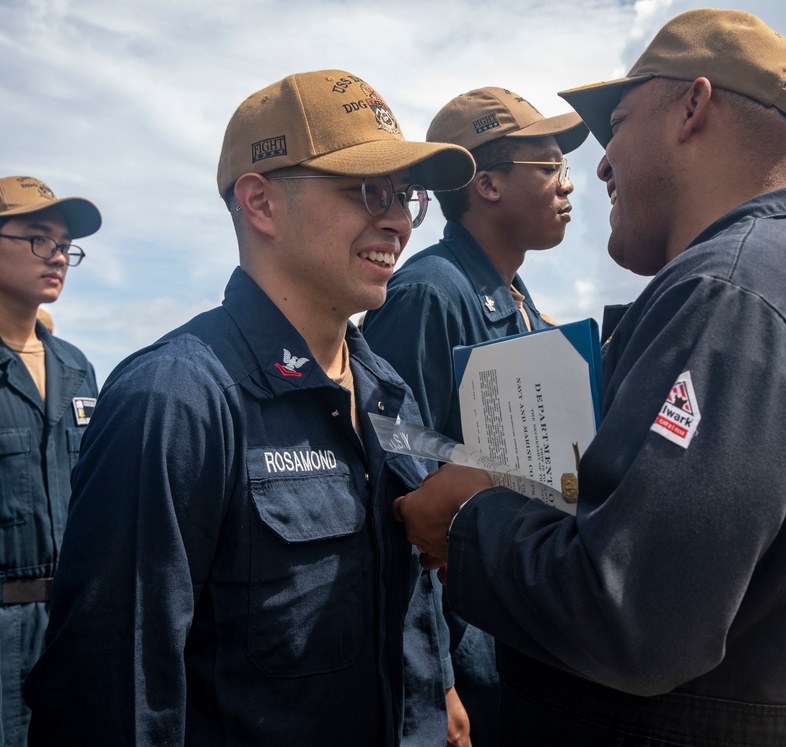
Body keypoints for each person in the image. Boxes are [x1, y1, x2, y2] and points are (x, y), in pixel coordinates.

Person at [394, 9, 786, 747]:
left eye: (617, 123)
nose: (597, 165)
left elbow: (638, 614)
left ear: (694, 107)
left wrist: (471, 523)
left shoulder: (731, 294)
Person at [24, 70, 475, 746]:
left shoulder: (387, 390)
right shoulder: (175, 401)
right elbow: (114, 694)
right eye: (367, 191)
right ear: (260, 203)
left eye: (406, 195)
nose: (400, 219)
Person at [363, 86, 588, 747]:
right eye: (549, 167)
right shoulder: (430, 293)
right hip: (467, 656)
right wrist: (437, 682)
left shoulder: (516, 299)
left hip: (517, 636)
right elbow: (401, 485)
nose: (569, 186)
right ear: (486, 183)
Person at [0, 175, 101, 747]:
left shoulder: (76, 367)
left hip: (71, 626)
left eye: (65, 245)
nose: (59, 255)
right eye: (39, 238)